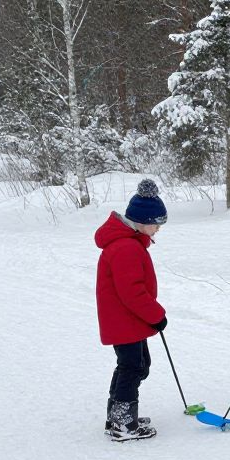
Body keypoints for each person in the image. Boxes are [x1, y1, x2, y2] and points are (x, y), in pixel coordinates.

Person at [95, 179, 169, 442]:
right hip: (125, 321)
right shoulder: (126, 247)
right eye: (157, 223)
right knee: (133, 367)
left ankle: (117, 416)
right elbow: (132, 292)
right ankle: (123, 424)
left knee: (135, 365)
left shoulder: (129, 242)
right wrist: (156, 315)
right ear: (142, 221)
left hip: (127, 321)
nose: (158, 228)